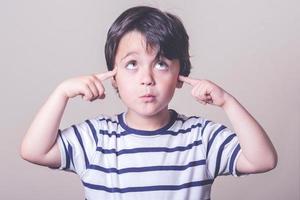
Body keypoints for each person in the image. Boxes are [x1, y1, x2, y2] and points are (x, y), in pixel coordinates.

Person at [20, 6, 277, 200]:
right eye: (132, 64)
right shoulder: (96, 138)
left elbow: (262, 159)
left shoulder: (201, 138)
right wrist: (61, 93)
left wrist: (227, 102)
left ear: (180, 76)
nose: (147, 79)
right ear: (113, 76)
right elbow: (35, 150)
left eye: (161, 64)